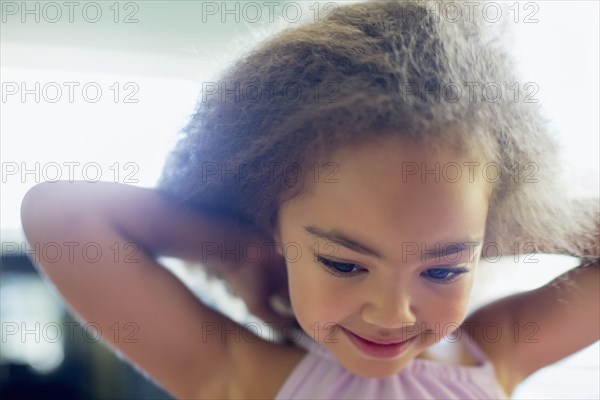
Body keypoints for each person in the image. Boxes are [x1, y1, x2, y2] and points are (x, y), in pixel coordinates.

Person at [21, 1, 599, 399]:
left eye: (443, 269)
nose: (392, 314)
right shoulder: (239, 376)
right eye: (344, 263)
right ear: (276, 231)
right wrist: (241, 249)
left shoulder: (491, 355)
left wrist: (497, 229)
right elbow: (61, 215)